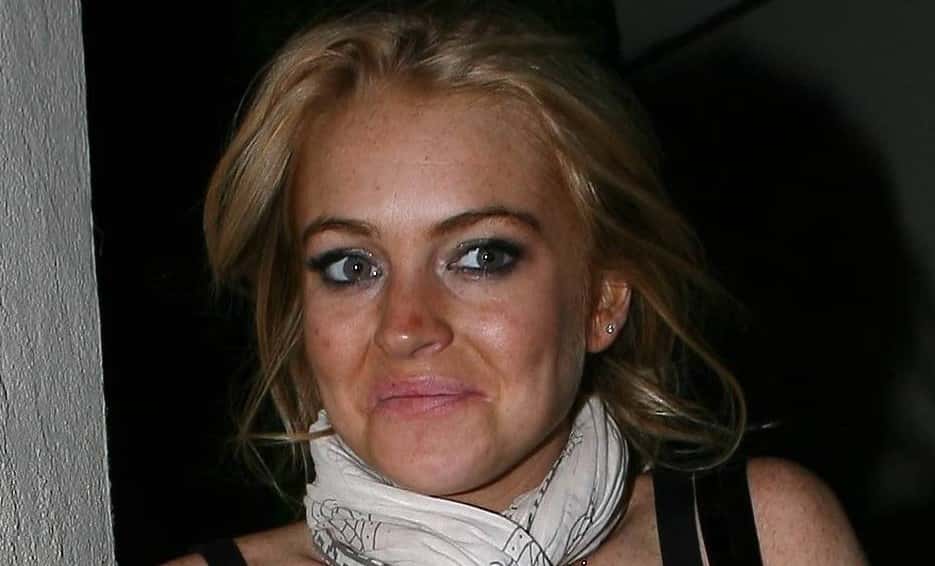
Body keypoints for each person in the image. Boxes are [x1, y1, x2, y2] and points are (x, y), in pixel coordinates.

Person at [167, 3, 866, 565]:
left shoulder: (765, 539)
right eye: (352, 266)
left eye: (479, 257)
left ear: (603, 297)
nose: (405, 326)